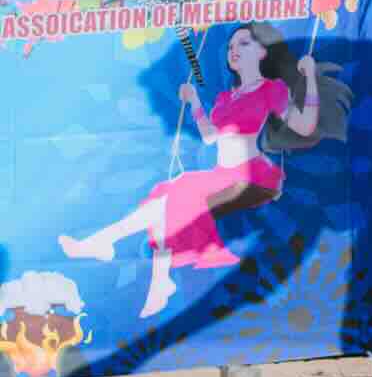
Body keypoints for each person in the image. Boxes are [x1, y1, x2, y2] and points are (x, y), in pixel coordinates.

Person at [58, 21, 352, 318]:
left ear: (263, 52)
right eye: (231, 46)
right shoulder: (227, 97)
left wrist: (310, 78)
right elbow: (211, 136)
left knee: (180, 191)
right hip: (220, 176)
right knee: (168, 200)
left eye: (244, 44)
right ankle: (146, 273)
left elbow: (304, 126)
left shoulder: (270, 90)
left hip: (251, 176)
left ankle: (111, 248)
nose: (234, 50)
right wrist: (196, 103)